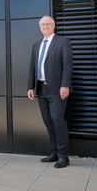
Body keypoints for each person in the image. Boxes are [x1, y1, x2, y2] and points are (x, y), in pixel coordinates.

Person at [27, 16, 73, 168]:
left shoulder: (62, 41)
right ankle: (54, 152)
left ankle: (63, 156)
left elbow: (67, 64)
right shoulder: (36, 45)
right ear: (40, 27)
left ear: (54, 26)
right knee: (48, 121)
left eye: (48, 24)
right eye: (42, 24)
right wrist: (30, 87)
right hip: (41, 88)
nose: (45, 26)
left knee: (57, 119)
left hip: (58, 88)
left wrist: (65, 85)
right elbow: (32, 67)